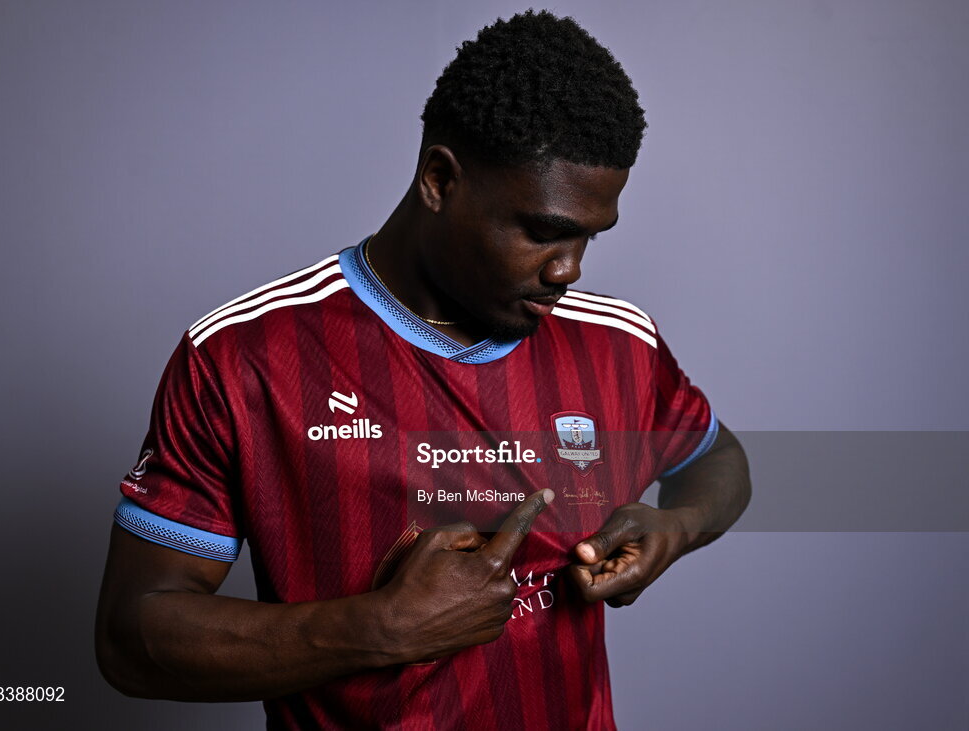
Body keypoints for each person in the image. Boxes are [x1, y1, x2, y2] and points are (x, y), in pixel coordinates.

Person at [96, 10, 751, 729]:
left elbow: (721, 461)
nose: (569, 270)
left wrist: (676, 527)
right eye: (543, 231)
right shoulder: (243, 357)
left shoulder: (617, 342)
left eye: (590, 238)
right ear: (440, 180)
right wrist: (381, 627)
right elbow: (130, 638)